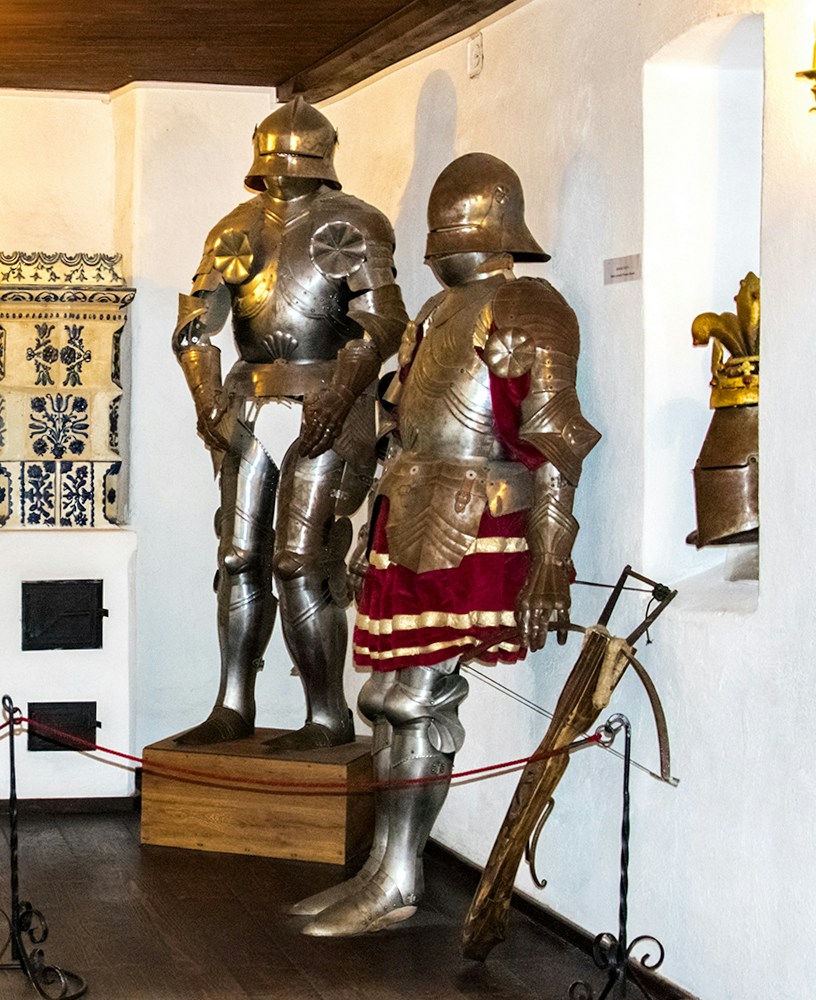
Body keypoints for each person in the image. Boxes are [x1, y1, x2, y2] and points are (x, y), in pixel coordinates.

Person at [294, 152, 601, 936]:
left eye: (447, 229)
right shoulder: (436, 314)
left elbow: (554, 441)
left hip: (480, 519)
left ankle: (398, 878)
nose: (437, 247)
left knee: (416, 700)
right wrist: (369, 531)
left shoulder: (529, 305)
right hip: (413, 508)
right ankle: (383, 868)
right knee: (385, 700)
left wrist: (551, 562)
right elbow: (404, 430)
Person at [172, 97, 408, 750]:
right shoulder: (233, 229)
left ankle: (326, 716)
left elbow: (382, 320)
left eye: (298, 161)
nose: (286, 172)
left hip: (326, 402)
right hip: (248, 403)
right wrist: (205, 400)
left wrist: (345, 389)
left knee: (301, 560)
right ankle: (232, 704)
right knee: (236, 554)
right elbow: (196, 326)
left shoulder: (354, 224)